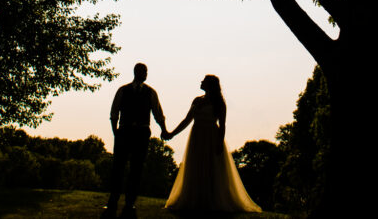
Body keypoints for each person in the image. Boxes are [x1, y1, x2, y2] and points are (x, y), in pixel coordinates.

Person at [162, 75, 261, 214]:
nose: (201, 82)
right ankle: (194, 199)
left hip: (211, 137)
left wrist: (220, 142)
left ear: (210, 85)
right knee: (195, 166)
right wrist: (172, 133)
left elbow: (222, 124)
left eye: (204, 81)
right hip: (196, 136)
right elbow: (187, 120)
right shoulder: (197, 100)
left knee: (211, 167)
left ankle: (211, 200)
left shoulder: (219, 102)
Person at [103, 63, 168, 219]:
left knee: (136, 169)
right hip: (124, 131)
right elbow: (114, 112)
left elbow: (158, 113)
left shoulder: (151, 92)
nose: (145, 74)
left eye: (146, 71)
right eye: (142, 71)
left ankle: (130, 202)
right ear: (135, 72)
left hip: (141, 132)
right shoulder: (123, 90)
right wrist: (116, 132)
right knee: (118, 167)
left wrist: (164, 129)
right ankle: (113, 200)